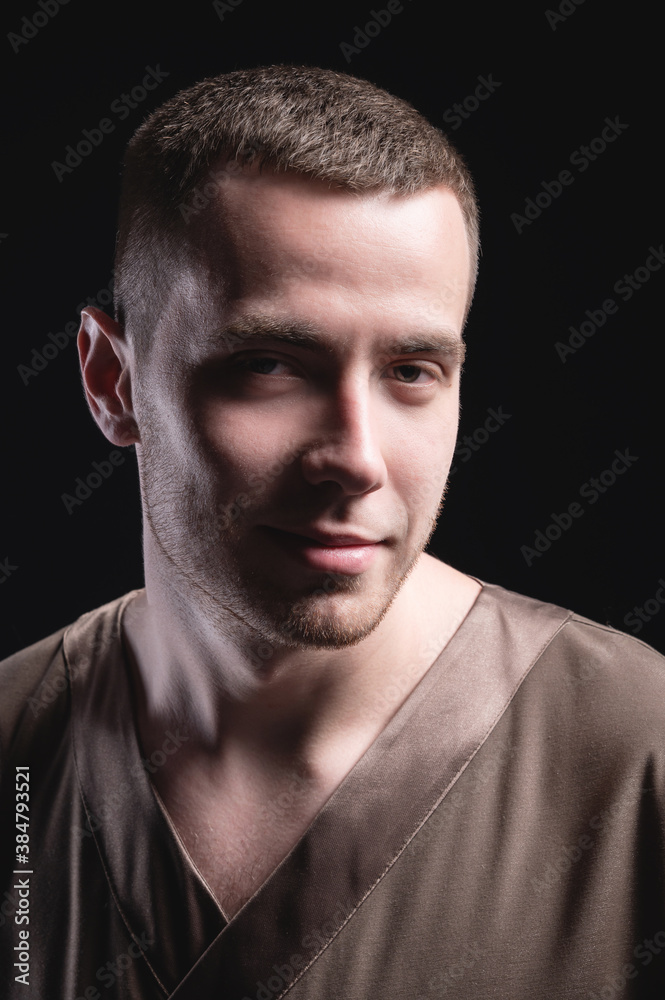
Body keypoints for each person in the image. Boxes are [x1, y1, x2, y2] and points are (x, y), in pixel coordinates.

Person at [1, 65, 663, 999]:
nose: (355, 457)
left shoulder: (639, 750)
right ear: (113, 382)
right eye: (268, 364)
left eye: (411, 370)